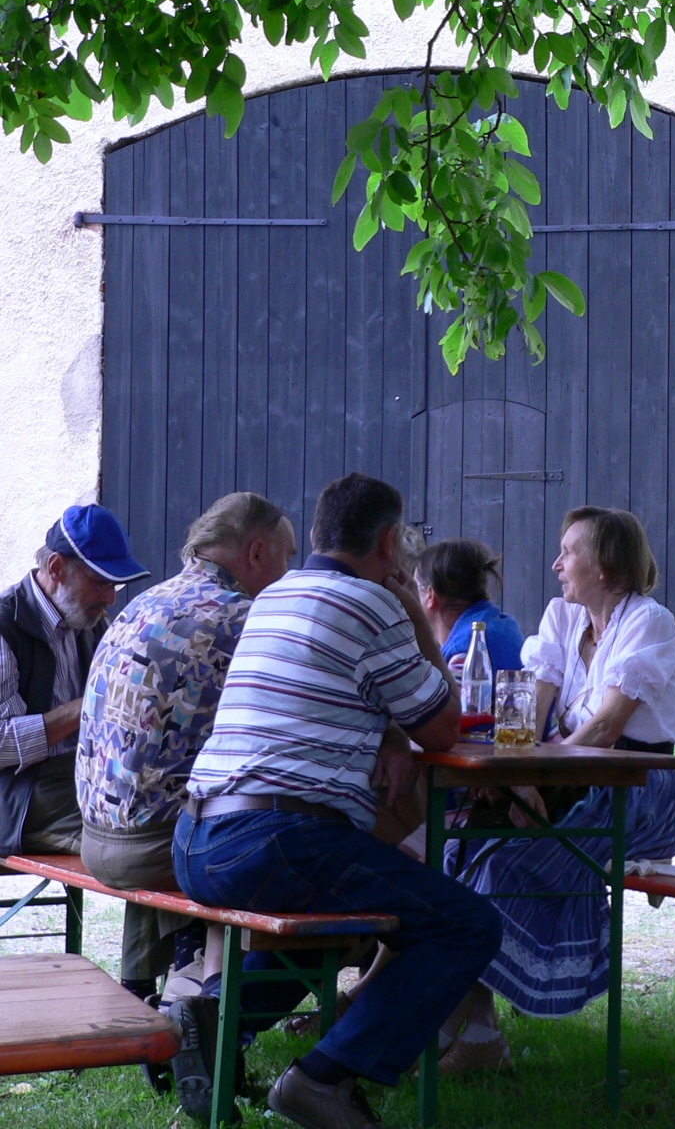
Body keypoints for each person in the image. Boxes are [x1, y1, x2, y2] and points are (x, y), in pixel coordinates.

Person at [174, 473, 501, 1129]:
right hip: (278, 840)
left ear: (318, 535)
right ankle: (323, 1078)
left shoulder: (274, 595)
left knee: (337, 922)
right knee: (468, 923)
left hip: (196, 839)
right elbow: (441, 728)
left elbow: (321, 690)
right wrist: (414, 615)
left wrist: (385, 732)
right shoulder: (373, 605)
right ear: (389, 543)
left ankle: (214, 1022)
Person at [445, 506, 675, 1042]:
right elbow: (529, 714)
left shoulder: (649, 621)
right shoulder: (563, 617)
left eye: (569, 551)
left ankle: (448, 1026)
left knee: (502, 867)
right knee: (463, 848)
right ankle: (472, 1029)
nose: (557, 563)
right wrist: (515, 774)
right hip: (572, 776)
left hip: (639, 786)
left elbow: (604, 729)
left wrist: (536, 778)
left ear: (606, 568)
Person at [76, 493, 295, 1016]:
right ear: (257, 552)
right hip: (156, 848)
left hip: (95, 838)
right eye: (288, 556)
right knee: (289, 839)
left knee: (172, 788)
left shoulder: (145, 602)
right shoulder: (245, 617)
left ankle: (151, 985)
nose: (292, 573)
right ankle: (209, 1008)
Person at [1, 504, 148, 857]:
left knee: (167, 818)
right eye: (100, 583)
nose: (111, 597)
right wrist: (86, 707)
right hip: (18, 796)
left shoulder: (92, 622)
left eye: (115, 584)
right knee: (135, 845)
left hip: (80, 777)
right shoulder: (5, 627)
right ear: (56, 568)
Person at [415, 538, 524, 671]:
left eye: (414, 587)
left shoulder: (464, 653)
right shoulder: (505, 625)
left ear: (431, 595)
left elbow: (453, 692)